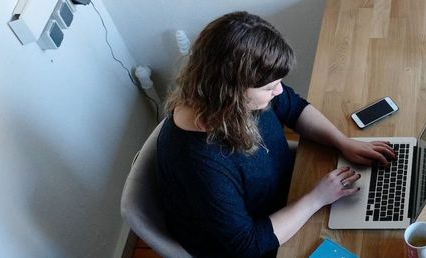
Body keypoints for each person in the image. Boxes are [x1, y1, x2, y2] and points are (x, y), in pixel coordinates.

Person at [155, 12, 396, 257]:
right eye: (270, 87)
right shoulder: (199, 163)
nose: (279, 90)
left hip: (291, 192)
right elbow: (245, 245)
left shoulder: (233, 99)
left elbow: (293, 107)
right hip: (260, 239)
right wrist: (316, 198)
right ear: (231, 91)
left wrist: (342, 142)